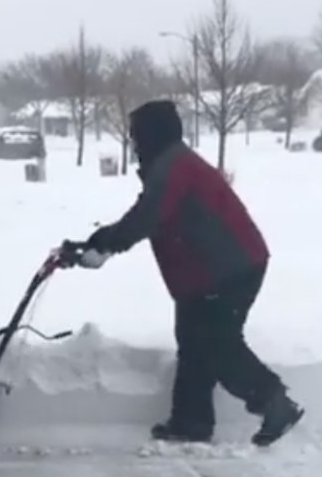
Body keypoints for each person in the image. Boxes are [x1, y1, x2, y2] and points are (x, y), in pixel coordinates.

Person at [81, 99, 303, 447]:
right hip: (207, 271)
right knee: (193, 342)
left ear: (152, 135)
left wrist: (108, 243)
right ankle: (191, 422)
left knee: (218, 345)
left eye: (136, 136)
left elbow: (149, 216)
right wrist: (101, 240)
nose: (133, 144)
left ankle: (275, 404)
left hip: (228, 268)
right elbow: (149, 211)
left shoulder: (174, 168)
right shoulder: (170, 164)